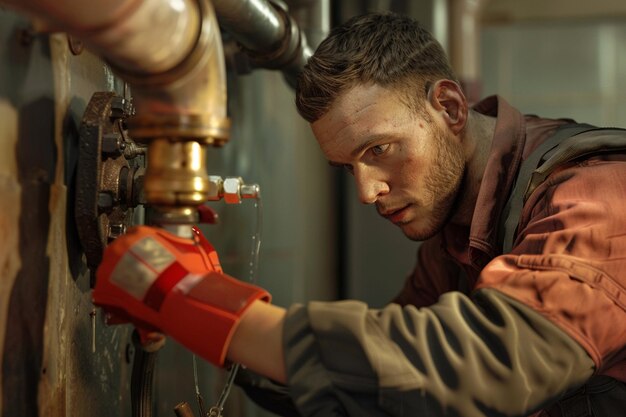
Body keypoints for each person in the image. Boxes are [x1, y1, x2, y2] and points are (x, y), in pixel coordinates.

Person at [93, 12, 626, 417]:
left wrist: (207, 308)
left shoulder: (596, 197)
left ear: (449, 108)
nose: (368, 193)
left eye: (379, 150)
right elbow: (384, 379)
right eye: (347, 167)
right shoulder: (460, 234)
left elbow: (488, 359)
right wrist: (212, 302)